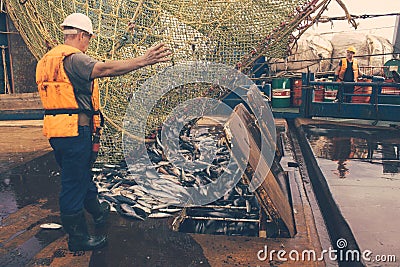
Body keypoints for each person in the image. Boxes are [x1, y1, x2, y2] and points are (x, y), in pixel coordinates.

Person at [36, 13, 171, 252]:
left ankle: (98, 212)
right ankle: (77, 238)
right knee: (72, 183)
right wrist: (143, 60)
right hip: (75, 131)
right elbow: (105, 68)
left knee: (79, 174)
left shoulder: (48, 59)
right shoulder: (75, 59)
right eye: (87, 38)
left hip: (58, 131)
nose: (87, 43)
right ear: (80, 35)